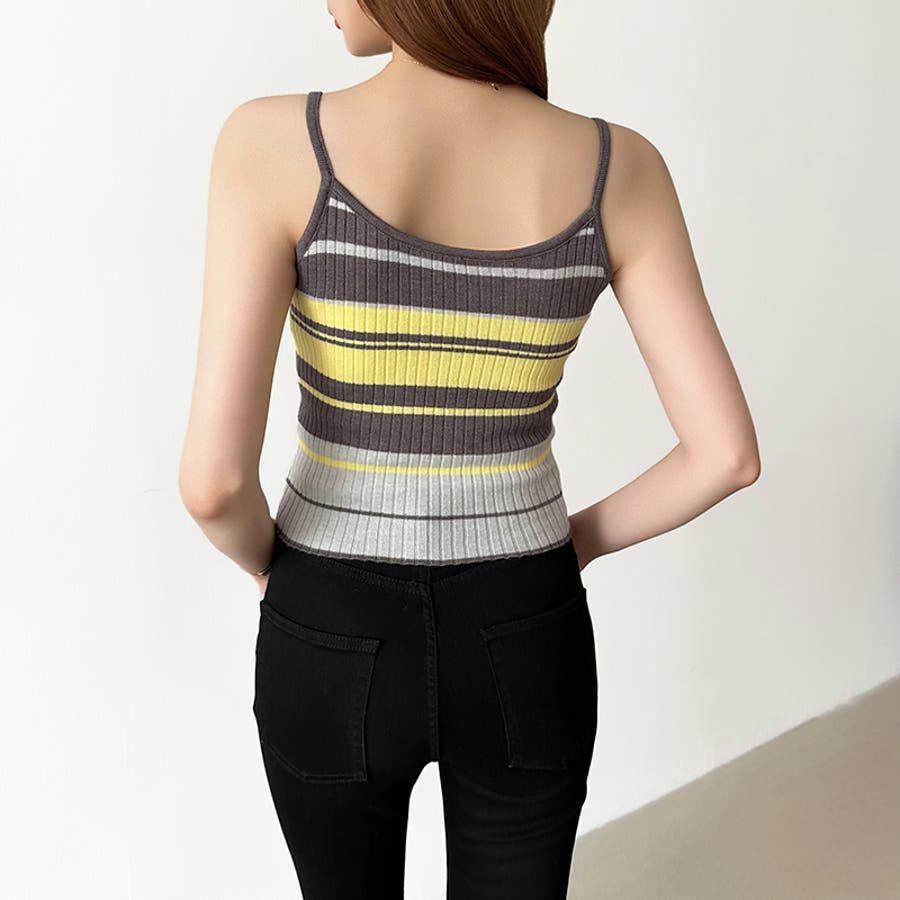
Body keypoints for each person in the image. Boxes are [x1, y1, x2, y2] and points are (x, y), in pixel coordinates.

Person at [178, 0, 761, 895]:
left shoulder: (275, 143)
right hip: (525, 620)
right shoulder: (618, 168)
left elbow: (213, 485)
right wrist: (575, 543)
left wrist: (276, 567)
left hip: (330, 621)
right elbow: (725, 454)